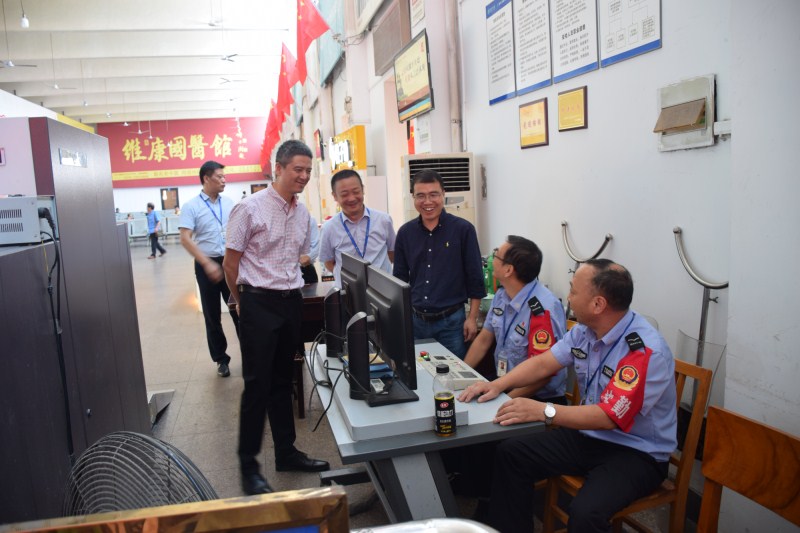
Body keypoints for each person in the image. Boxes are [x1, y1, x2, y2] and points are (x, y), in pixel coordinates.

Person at [459, 259, 677, 533]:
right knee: (511, 453)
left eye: (574, 291)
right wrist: (497, 385)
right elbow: (543, 363)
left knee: (586, 513)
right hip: (588, 435)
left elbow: (608, 417)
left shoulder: (644, 351)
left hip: (636, 452)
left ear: (598, 304)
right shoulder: (585, 332)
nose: (569, 297)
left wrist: (543, 411)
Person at [223, 140, 330, 496]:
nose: (304, 176)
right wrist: (242, 303)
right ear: (279, 168)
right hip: (258, 302)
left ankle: (286, 453)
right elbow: (230, 264)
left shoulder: (302, 213)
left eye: (308, 171)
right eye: (298, 169)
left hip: (290, 302)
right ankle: (248, 467)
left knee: (284, 381)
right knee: (257, 385)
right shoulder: (248, 209)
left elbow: (299, 256)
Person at [393, 169, 485, 359]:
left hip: (452, 324)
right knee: (419, 373)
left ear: (443, 194)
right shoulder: (405, 233)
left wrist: (472, 318)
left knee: (453, 374)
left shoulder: (463, 230)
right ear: (413, 197)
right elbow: (399, 280)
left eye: (433, 194)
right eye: (421, 196)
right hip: (416, 322)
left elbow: (475, 277)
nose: (427, 202)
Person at [464, 235, 568, 403]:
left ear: (508, 270)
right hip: (504, 384)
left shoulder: (543, 309)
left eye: (496, 255)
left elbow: (543, 375)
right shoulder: (501, 295)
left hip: (536, 398)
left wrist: (501, 402)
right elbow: (483, 339)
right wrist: (461, 375)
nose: (491, 259)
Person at [178, 161, 240, 378]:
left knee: (239, 308)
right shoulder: (191, 206)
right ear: (206, 178)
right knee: (212, 315)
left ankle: (250, 353)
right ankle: (221, 359)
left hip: (230, 262)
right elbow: (185, 238)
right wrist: (206, 263)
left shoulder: (230, 203)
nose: (224, 180)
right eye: (220, 177)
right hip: (206, 265)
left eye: (224, 176)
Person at [319, 169, 395, 287]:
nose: (352, 198)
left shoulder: (383, 220)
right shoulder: (329, 228)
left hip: (382, 290)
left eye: (356, 192)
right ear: (335, 196)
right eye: (344, 194)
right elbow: (328, 262)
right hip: (348, 291)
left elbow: (392, 253)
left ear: (363, 190)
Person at [301, 216, 320, 284]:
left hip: (305, 269)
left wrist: (308, 257)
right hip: (279, 273)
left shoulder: (309, 220)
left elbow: (316, 246)